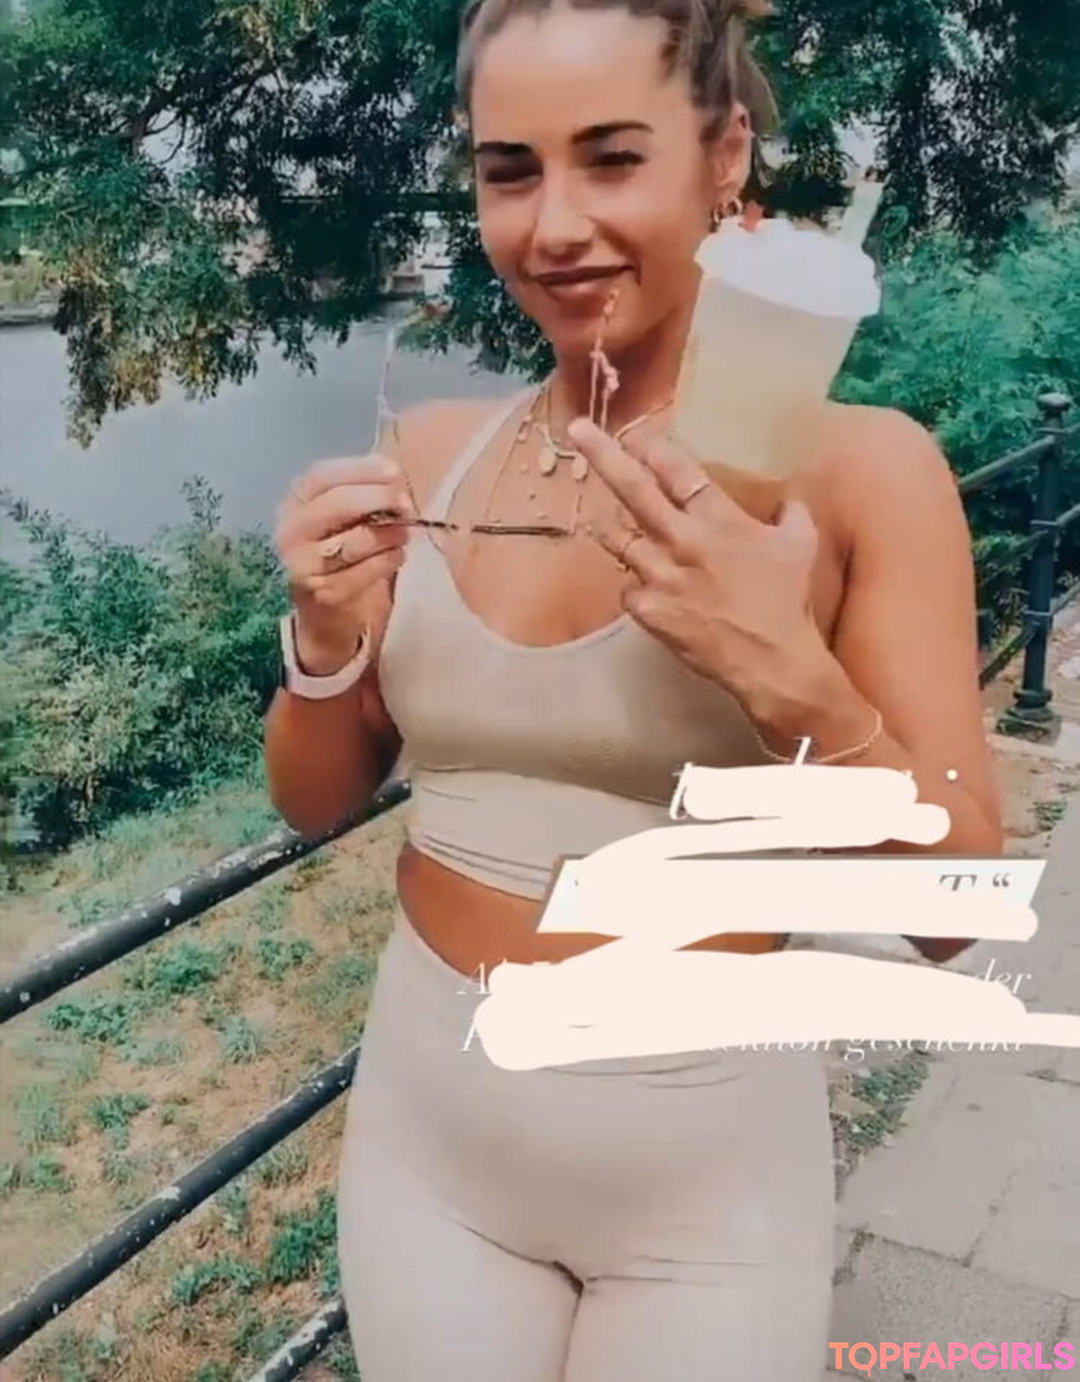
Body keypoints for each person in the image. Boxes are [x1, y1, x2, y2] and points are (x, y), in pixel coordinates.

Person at [264, 0, 1003, 1375]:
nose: (554, 226)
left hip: (706, 1193)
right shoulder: (430, 455)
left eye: (612, 158)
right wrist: (322, 635)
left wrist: (788, 677)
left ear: (723, 159)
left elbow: (959, 907)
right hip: (430, 1149)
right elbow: (315, 802)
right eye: (510, 170)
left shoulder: (862, 474)